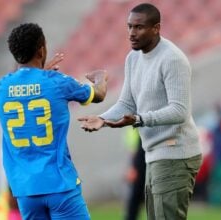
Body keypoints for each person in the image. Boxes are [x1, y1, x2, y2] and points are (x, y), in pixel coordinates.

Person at [78, 3, 202, 220]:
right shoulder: (132, 58)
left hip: (175, 153)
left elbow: (179, 110)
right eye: (129, 27)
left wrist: (139, 119)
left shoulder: (172, 59)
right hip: (153, 154)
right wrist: (102, 119)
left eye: (139, 27)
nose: (132, 33)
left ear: (156, 28)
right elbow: (127, 103)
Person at [0, 23, 108, 220]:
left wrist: (39, 74)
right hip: (59, 184)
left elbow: (26, 93)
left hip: (24, 190)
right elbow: (99, 94)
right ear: (42, 49)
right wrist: (101, 77)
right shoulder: (57, 82)